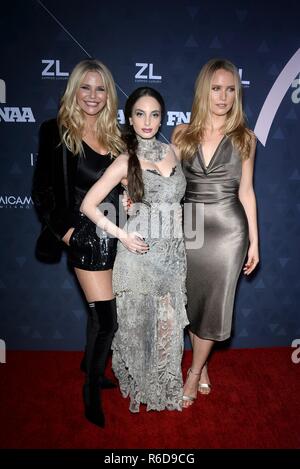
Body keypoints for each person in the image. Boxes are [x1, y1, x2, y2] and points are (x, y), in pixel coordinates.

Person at [81, 87, 189, 412]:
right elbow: (89, 204)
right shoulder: (126, 160)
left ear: (161, 119)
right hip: (138, 255)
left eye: (154, 114)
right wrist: (122, 236)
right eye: (140, 114)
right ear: (130, 118)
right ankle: (144, 388)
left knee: (169, 327)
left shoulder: (172, 152)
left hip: (172, 256)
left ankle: (166, 384)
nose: (147, 121)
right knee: (141, 328)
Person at [32, 59, 125, 427]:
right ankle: (91, 390)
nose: (92, 95)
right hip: (83, 236)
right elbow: (42, 191)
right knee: (107, 319)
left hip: (114, 235)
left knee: (98, 312)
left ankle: (91, 364)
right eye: (85, 87)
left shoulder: (116, 135)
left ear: (108, 94)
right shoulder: (56, 131)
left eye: (100, 88)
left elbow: (122, 186)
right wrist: (68, 233)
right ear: (73, 90)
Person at [172, 58, 259, 407]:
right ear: (203, 90)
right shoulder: (182, 133)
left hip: (228, 230)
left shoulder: (245, 138)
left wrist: (255, 240)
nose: (223, 97)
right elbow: (166, 181)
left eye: (230, 90)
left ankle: (192, 373)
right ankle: (202, 363)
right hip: (189, 223)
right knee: (192, 300)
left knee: (214, 305)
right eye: (216, 88)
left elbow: (247, 191)